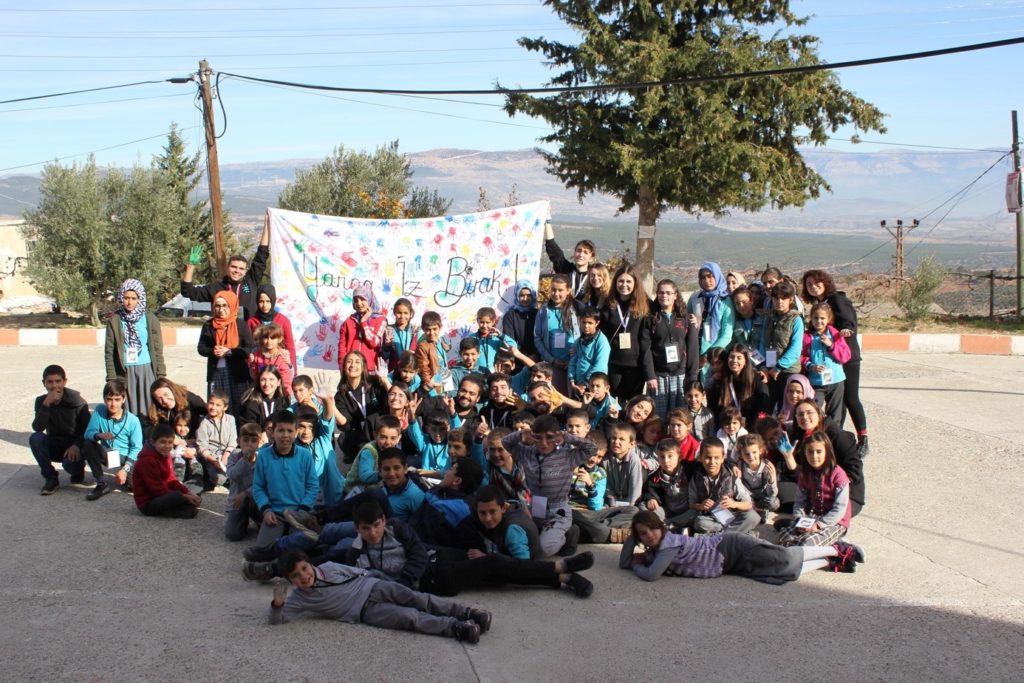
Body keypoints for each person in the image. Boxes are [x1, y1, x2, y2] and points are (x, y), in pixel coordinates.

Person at [267, 549, 490, 644]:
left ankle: (465, 612)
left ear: (310, 564)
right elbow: (276, 620)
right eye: (296, 576)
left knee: (417, 598)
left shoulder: (329, 567)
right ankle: (455, 627)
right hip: (364, 611)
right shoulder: (299, 598)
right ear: (290, 580)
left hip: (373, 587)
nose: (303, 577)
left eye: (304, 569)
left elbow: (358, 572)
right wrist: (277, 604)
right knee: (408, 617)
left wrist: (380, 580)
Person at [619, 510, 864, 582]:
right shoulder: (654, 550)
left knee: (783, 558)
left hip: (729, 546)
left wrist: (638, 565)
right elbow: (623, 563)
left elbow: (651, 575)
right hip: (728, 564)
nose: (649, 535)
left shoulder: (668, 544)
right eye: (643, 534)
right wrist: (633, 538)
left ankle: (837, 548)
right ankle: (829, 562)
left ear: (661, 527)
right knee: (778, 573)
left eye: (652, 528)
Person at [501, 414, 599, 556]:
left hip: (558, 510)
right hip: (536, 506)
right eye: (538, 438)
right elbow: (505, 443)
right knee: (519, 539)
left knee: (543, 549)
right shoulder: (526, 453)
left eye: (549, 437)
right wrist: (521, 434)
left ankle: (567, 535)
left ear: (557, 436)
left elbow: (592, 449)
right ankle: (547, 532)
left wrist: (567, 437)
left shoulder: (568, 456)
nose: (544, 443)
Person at [801, 269, 869, 455]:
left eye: (817, 283)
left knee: (850, 397)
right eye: (809, 285)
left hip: (846, 357)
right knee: (839, 402)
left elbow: (849, 321)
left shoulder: (836, 300)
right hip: (830, 360)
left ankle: (863, 439)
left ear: (825, 282)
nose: (813, 287)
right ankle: (837, 436)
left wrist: (846, 329)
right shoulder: (820, 304)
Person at [251, 411, 320, 550]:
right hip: (275, 513)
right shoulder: (263, 456)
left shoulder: (305, 455)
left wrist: (304, 509)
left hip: (299, 512)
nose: (285, 435)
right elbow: (258, 487)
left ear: (296, 432)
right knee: (262, 551)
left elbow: (312, 485)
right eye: (281, 430)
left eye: (290, 431)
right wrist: (266, 510)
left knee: (303, 550)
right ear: (272, 432)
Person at [180, 217, 270, 319]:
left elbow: (261, 256)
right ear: (227, 268)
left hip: (248, 332)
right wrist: (190, 267)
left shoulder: (251, 281)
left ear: (245, 271)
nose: (237, 271)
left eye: (241, 269)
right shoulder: (216, 287)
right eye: (233, 267)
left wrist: (267, 224)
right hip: (224, 332)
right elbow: (187, 291)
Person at [787, 399, 865, 516]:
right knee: (783, 498)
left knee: (828, 516)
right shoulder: (801, 436)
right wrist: (788, 457)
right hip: (816, 490)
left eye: (809, 413)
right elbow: (802, 475)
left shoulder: (838, 436)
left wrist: (834, 485)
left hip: (844, 493)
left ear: (819, 414)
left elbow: (855, 470)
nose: (805, 417)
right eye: (800, 414)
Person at [778, 432, 852, 547]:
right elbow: (800, 502)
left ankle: (840, 548)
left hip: (834, 522)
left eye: (819, 451)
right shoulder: (805, 474)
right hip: (812, 517)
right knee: (784, 538)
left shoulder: (838, 475)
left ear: (827, 452)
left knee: (807, 544)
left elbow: (840, 508)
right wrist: (800, 520)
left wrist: (818, 525)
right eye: (810, 452)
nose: (814, 456)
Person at [104, 278, 165, 417]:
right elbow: (109, 352)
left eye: (133, 298)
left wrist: (161, 374)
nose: (129, 302)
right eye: (126, 298)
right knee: (128, 409)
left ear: (140, 299)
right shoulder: (115, 320)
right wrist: (112, 378)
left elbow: (157, 349)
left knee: (148, 408)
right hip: (125, 370)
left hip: (146, 369)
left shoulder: (149, 319)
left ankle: (148, 437)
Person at [30, 365, 93, 496]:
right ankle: (51, 478)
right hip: (55, 444)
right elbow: (38, 428)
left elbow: (89, 429)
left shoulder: (78, 402)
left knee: (69, 465)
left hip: (74, 447)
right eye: (50, 382)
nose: (54, 386)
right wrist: (46, 405)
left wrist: (77, 445)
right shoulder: (41, 401)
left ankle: (78, 470)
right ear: (44, 383)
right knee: (35, 438)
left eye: (58, 381)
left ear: (64, 381)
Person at [82, 380, 143, 500]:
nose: (113, 404)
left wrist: (125, 469)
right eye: (109, 399)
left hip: (127, 458)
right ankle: (101, 483)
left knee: (136, 487)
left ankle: (125, 476)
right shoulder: (99, 411)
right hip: (110, 454)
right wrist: (98, 435)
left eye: (117, 399)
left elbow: (137, 448)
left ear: (123, 399)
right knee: (88, 444)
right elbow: (88, 433)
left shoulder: (133, 420)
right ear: (104, 400)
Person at [600, 262, 654, 401]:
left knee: (632, 404)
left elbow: (665, 309)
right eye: (621, 281)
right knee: (612, 402)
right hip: (613, 364)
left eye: (629, 281)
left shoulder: (645, 305)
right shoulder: (608, 305)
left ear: (636, 283)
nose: (624, 285)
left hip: (635, 366)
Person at [647, 278, 699, 418]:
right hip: (658, 376)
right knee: (658, 417)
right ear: (657, 295)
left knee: (680, 417)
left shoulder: (686, 318)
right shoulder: (651, 318)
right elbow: (646, 349)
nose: (665, 296)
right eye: (661, 293)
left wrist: (692, 376)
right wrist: (650, 374)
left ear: (676, 295)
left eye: (669, 293)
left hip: (680, 374)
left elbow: (693, 348)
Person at [197, 290, 254, 415]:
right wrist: (213, 351)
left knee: (240, 406)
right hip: (216, 373)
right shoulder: (208, 325)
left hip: (237, 374)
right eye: (217, 306)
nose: (221, 309)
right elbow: (201, 348)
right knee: (217, 407)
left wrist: (230, 352)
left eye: (225, 305)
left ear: (232, 306)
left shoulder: (241, 325)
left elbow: (249, 348)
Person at [687, 437, 759, 535]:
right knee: (699, 523)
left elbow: (748, 504)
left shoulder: (732, 475)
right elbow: (692, 503)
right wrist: (701, 506)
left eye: (716, 458)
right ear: (701, 457)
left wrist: (734, 503)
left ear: (722, 458)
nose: (712, 462)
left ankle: (719, 536)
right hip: (711, 518)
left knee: (752, 516)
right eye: (708, 457)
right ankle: (738, 534)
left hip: (732, 515)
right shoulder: (696, 477)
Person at [132, 423, 203, 519]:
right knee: (178, 498)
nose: (167, 446)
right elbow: (157, 490)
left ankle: (177, 505)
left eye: (170, 442)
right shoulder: (147, 461)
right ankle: (172, 510)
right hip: (148, 502)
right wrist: (184, 497)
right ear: (153, 442)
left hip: (161, 495)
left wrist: (189, 493)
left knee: (193, 493)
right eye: (162, 442)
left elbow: (171, 479)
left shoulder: (165, 454)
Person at [801, 302, 852, 428]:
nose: (819, 321)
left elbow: (846, 356)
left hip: (836, 380)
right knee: (813, 410)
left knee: (835, 415)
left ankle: (833, 441)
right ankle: (814, 436)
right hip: (815, 382)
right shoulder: (806, 336)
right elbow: (801, 356)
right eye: (816, 318)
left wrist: (831, 345)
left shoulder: (835, 334)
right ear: (811, 318)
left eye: (822, 318)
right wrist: (810, 365)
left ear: (828, 319)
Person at [334, 351, 389, 463]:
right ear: (344, 367)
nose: (353, 365)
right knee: (344, 439)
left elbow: (394, 400)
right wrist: (330, 405)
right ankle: (357, 462)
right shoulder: (341, 395)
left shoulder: (375, 382)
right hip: (361, 434)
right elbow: (345, 425)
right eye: (349, 362)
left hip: (381, 428)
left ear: (363, 366)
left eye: (357, 362)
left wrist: (385, 380)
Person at [760, 280, 804, 410]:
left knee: (786, 408)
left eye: (784, 298)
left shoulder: (796, 320)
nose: (779, 301)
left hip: (787, 371)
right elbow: (763, 342)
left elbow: (795, 349)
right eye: (776, 298)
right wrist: (763, 366)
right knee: (767, 405)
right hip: (769, 369)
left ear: (790, 300)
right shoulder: (769, 318)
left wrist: (779, 367)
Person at [706, 343, 771, 431]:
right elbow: (715, 409)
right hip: (728, 429)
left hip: (751, 429)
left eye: (739, 358)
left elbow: (763, 410)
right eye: (731, 357)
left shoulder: (757, 380)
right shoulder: (721, 380)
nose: (734, 360)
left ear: (746, 361)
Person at [534, 274, 578, 394]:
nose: (556, 294)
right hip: (553, 365)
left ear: (568, 291)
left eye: (560, 290)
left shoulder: (576, 309)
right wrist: (552, 360)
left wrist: (576, 352)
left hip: (572, 364)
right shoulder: (543, 311)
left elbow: (583, 334)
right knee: (554, 399)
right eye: (553, 290)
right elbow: (537, 337)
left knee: (571, 399)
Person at [686, 262, 735, 358]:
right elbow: (687, 317)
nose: (706, 280)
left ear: (717, 276)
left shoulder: (725, 300)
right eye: (703, 277)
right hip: (694, 351)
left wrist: (711, 354)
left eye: (710, 276)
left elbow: (726, 334)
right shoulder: (695, 297)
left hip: (715, 356)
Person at [246, 284, 298, 372]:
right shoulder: (251, 321)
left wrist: (292, 368)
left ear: (273, 301)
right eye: (261, 301)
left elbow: (290, 346)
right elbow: (248, 345)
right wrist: (249, 362)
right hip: (259, 365)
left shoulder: (283, 321)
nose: (264, 305)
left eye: (268, 301)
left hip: (279, 366)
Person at [225, 423, 263, 541]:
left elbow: (264, 483)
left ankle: (258, 519)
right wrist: (245, 460)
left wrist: (246, 493)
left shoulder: (263, 458)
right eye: (245, 440)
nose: (249, 444)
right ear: (239, 441)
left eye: (253, 441)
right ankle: (242, 520)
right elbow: (233, 476)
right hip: (237, 502)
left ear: (259, 443)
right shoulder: (234, 457)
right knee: (233, 535)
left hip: (257, 501)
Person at [338, 284, 388, 373]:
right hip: (351, 370)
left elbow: (373, 343)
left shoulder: (380, 320)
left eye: (363, 299)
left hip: (371, 370)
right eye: (356, 300)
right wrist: (342, 366)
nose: (359, 303)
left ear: (370, 299)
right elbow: (342, 347)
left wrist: (363, 322)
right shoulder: (348, 322)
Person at [196, 390, 237, 489]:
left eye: (218, 405)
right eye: (211, 403)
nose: (213, 407)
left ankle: (233, 476)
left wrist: (226, 455)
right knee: (219, 479)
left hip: (228, 452)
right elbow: (202, 447)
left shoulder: (230, 419)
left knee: (243, 456)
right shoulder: (204, 423)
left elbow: (233, 439)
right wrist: (214, 461)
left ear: (225, 407)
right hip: (212, 456)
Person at [543, 220, 595, 299]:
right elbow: (552, 246)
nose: (581, 254)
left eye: (585, 252)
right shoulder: (566, 269)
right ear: (574, 253)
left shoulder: (594, 275)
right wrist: (547, 220)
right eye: (579, 251)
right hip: (565, 310)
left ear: (591, 258)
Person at [568, 306, 610, 397]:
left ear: (597, 323)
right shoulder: (578, 341)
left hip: (593, 387)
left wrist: (585, 384)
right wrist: (572, 380)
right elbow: (573, 362)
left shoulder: (602, 342)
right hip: (577, 386)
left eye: (590, 323)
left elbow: (600, 365)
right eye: (584, 322)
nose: (586, 326)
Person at [736, 433, 779, 522]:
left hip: (763, 498)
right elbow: (740, 489)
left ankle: (760, 511)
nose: (751, 457)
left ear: (760, 451)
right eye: (747, 454)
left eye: (754, 452)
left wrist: (772, 480)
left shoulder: (767, 466)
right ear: (741, 454)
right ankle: (754, 512)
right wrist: (750, 503)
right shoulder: (739, 467)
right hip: (747, 498)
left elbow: (772, 494)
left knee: (773, 502)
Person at [247, 323, 294, 400]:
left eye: (272, 338)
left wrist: (285, 397)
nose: (269, 341)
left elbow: (286, 381)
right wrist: (251, 364)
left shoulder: (283, 356)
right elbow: (254, 376)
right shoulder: (257, 355)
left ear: (279, 339)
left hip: (280, 394)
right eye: (266, 338)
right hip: (261, 393)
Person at [238, 366, 289, 432]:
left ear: (278, 382)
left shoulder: (283, 401)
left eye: (271, 379)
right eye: (263, 380)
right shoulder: (251, 403)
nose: (267, 384)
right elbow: (247, 430)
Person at [501, 280, 538, 362]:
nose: (525, 299)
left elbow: (541, 336)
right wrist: (520, 356)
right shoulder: (510, 315)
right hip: (516, 358)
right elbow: (509, 338)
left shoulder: (538, 314)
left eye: (528, 295)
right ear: (517, 295)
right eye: (521, 295)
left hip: (536, 359)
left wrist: (536, 354)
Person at [382, 298, 419, 372]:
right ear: (394, 313)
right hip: (394, 371)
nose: (402, 316)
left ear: (410, 313)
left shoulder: (415, 331)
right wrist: (387, 346)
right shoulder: (389, 330)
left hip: (410, 372)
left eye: (406, 313)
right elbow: (384, 356)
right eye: (399, 313)